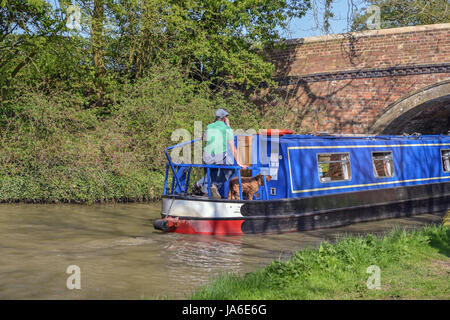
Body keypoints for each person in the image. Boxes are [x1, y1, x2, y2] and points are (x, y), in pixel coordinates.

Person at [194, 108, 247, 198]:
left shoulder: (209, 126)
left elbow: (204, 138)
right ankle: (215, 185)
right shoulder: (227, 129)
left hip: (207, 156)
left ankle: (199, 185)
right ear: (224, 118)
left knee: (212, 170)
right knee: (231, 169)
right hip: (219, 156)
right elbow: (232, 147)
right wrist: (238, 162)